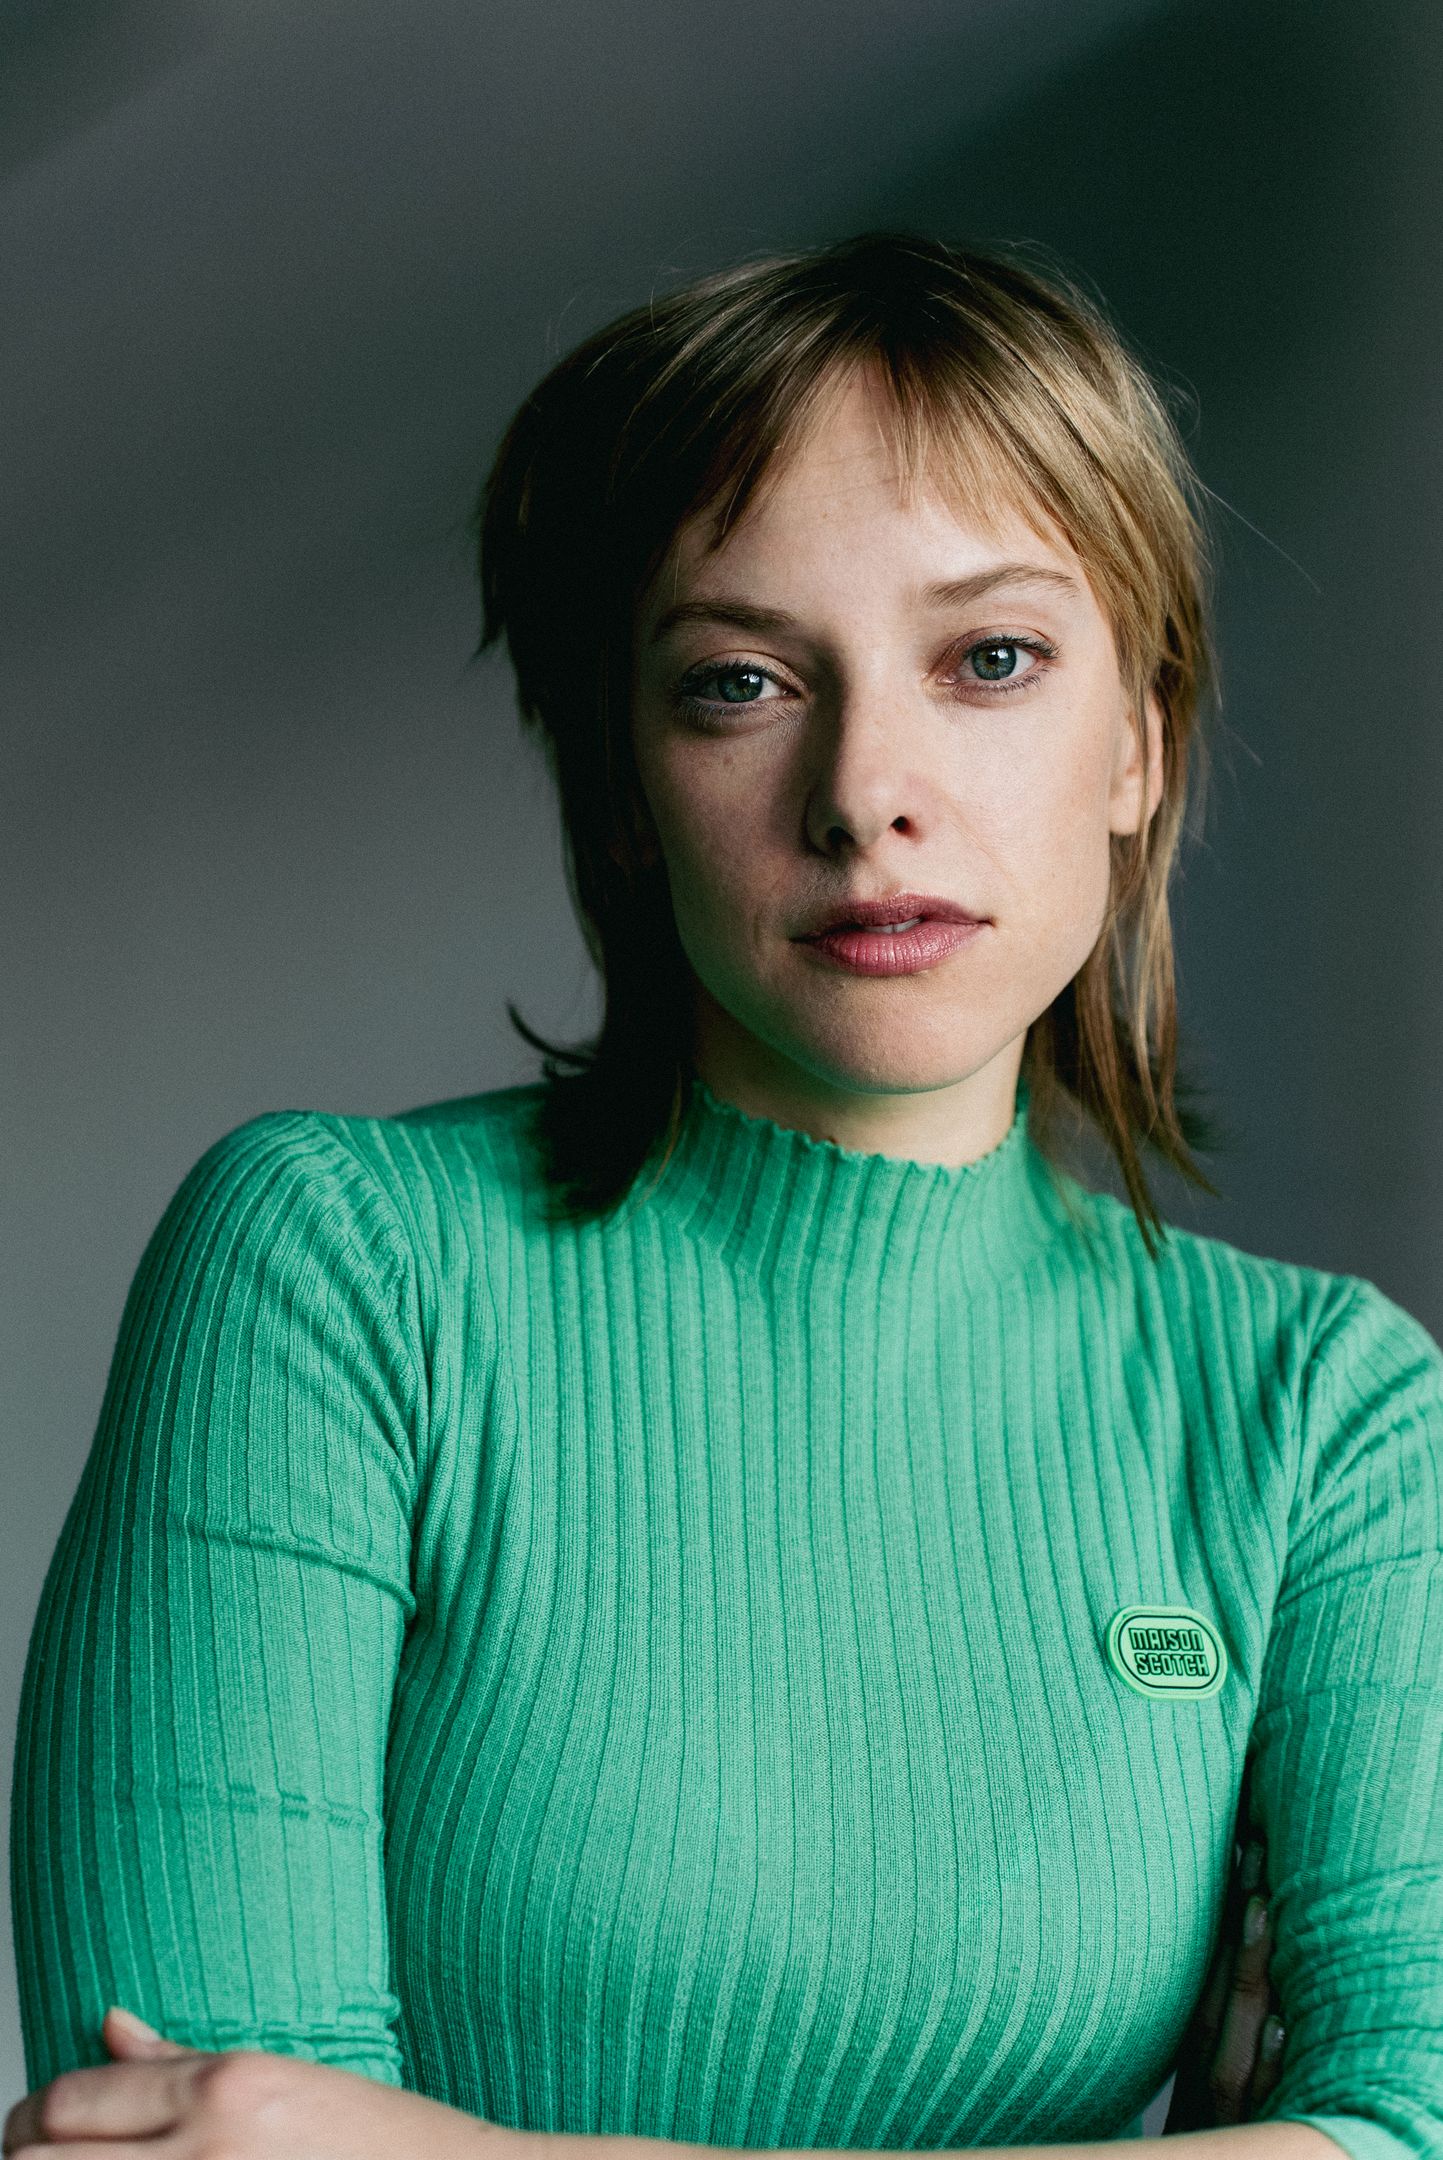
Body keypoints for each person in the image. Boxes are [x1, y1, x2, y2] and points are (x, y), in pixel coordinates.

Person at [7, 231, 1442, 2160]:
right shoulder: (337, 1274)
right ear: (623, 780)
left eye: (991, 660)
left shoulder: (1324, 1418)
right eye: (741, 681)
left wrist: (462, 2156)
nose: (868, 792)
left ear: (1141, 742)